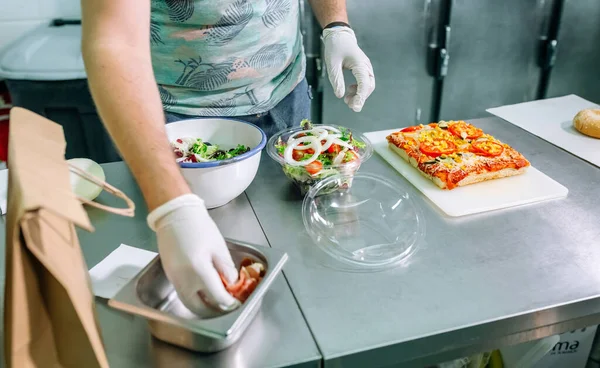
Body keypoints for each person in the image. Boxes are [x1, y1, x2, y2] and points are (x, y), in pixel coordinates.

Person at [81, 0, 375, 316]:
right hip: (176, 121)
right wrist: (173, 210)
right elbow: (114, 42)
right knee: (191, 275)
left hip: (284, 96)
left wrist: (336, 27)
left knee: (294, 269)